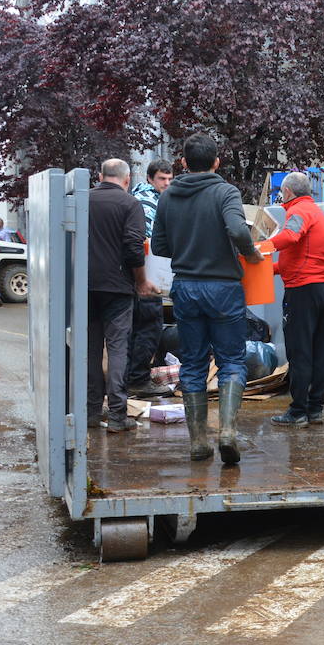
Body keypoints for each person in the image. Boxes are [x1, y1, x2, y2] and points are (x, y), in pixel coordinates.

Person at [152, 133, 263, 464]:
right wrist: (251, 254)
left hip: (185, 287)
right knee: (231, 360)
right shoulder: (225, 192)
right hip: (223, 288)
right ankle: (227, 431)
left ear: (183, 163)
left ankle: (198, 440)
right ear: (216, 162)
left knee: (194, 362)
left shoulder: (169, 196)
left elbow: (159, 248)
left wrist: (185, 251)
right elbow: (240, 230)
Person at [88, 159, 157, 432]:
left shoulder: (84, 201)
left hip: (86, 287)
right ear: (127, 180)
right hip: (118, 288)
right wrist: (141, 281)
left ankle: (91, 411)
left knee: (91, 350)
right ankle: (117, 415)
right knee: (117, 349)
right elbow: (133, 247)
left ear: (100, 175)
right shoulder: (131, 204)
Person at [269, 171, 324, 426]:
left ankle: (298, 411)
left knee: (300, 351)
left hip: (303, 291)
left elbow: (290, 237)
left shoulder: (299, 211)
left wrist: (261, 248)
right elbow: (297, 256)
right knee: (319, 349)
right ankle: (315, 408)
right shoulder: (315, 211)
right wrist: (268, 268)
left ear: (287, 192)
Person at [126, 159, 175, 395]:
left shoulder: (144, 198)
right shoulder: (147, 203)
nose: (166, 183)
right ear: (149, 179)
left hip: (138, 277)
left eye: (169, 178)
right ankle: (137, 379)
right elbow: (144, 243)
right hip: (147, 277)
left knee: (135, 329)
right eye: (161, 179)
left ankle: (128, 378)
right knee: (148, 327)